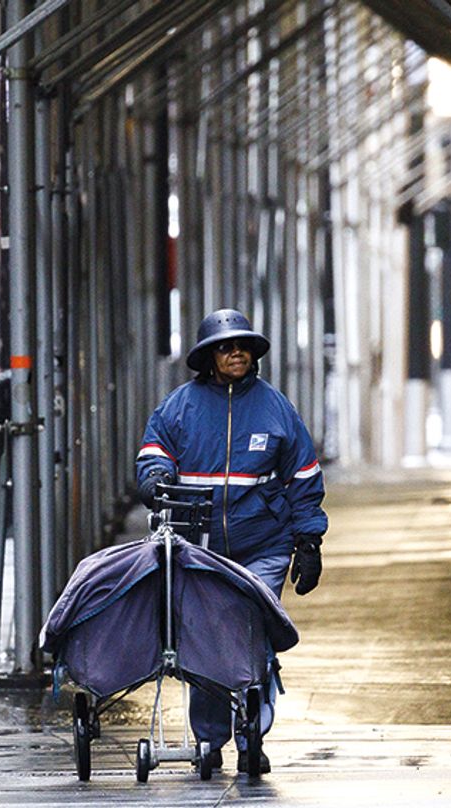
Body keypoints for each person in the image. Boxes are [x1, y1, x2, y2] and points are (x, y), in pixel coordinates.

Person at [135, 307, 327, 773]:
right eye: (225, 346)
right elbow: (152, 454)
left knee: (248, 634)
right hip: (197, 546)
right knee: (205, 640)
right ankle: (210, 741)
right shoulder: (179, 407)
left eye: (242, 345)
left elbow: (303, 476)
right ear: (208, 357)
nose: (236, 352)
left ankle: (251, 738)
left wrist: (308, 541)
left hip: (264, 543)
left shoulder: (275, 407)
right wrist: (158, 478)